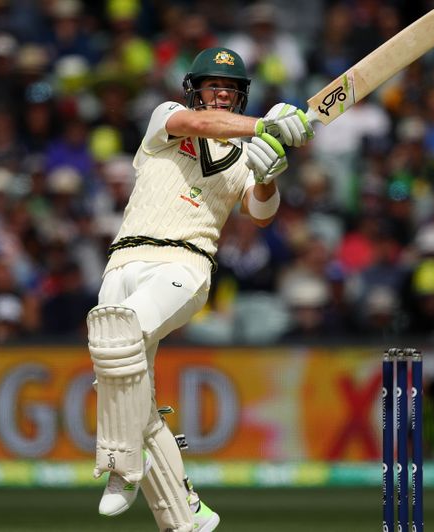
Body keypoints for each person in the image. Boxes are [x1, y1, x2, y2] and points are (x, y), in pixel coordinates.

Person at [86, 47, 313, 532]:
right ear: (194, 89)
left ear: (241, 94)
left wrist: (269, 176)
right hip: (122, 258)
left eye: (230, 89)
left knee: (121, 335)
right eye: (213, 86)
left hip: (185, 262)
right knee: (130, 387)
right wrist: (264, 127)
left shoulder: (247, 152)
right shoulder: (168, 118)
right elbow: (203, 126)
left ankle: (120, 464)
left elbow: (260, 212)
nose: (222, 94)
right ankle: (185, 516)